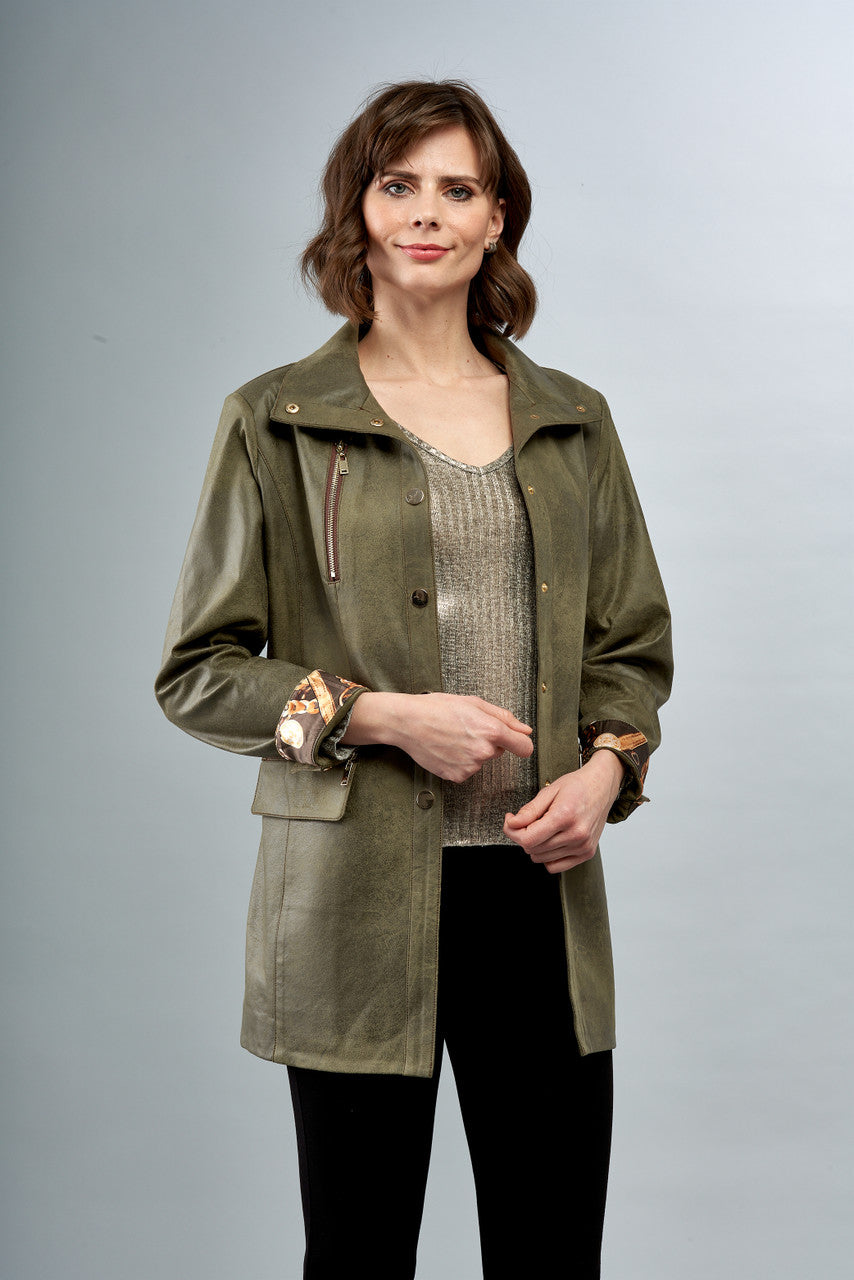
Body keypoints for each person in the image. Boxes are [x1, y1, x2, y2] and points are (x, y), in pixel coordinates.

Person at [156, 79, 672, 1279]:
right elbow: (199, 673)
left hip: (536, 896)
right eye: (398, 184)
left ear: (497, 219)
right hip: (350, 900)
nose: (426, 212)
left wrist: (605, 771)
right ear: (359, 209)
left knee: (552, 1254)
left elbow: (629, 649)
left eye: (457, 187)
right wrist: (375, 714)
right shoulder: (275, 420)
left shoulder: (573, 421)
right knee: (358, 1253)